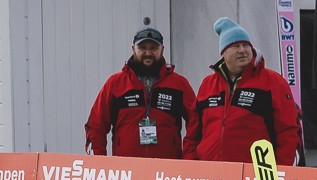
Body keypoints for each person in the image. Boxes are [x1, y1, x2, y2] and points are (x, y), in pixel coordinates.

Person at [187, 17, 303, 165]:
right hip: (211, 173)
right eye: (235, 46)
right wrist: (191, 165)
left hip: (257, 172)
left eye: (246, 45)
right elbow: (193, 134)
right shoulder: (207, 84)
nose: (242, 50)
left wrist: (280, 171)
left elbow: (288, 131)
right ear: (223, 53)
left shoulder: (273, 81)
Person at [85, 27, 198, 159]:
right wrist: (99, 163)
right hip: (127, 168)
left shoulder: (179, 84)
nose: (148, 53)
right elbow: (96, 124)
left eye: (153, 48)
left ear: (162, 49)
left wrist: (190, 158)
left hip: (166, 169)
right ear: (133, 49)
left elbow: (196, 120)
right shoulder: (115, 83)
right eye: (142, 48)